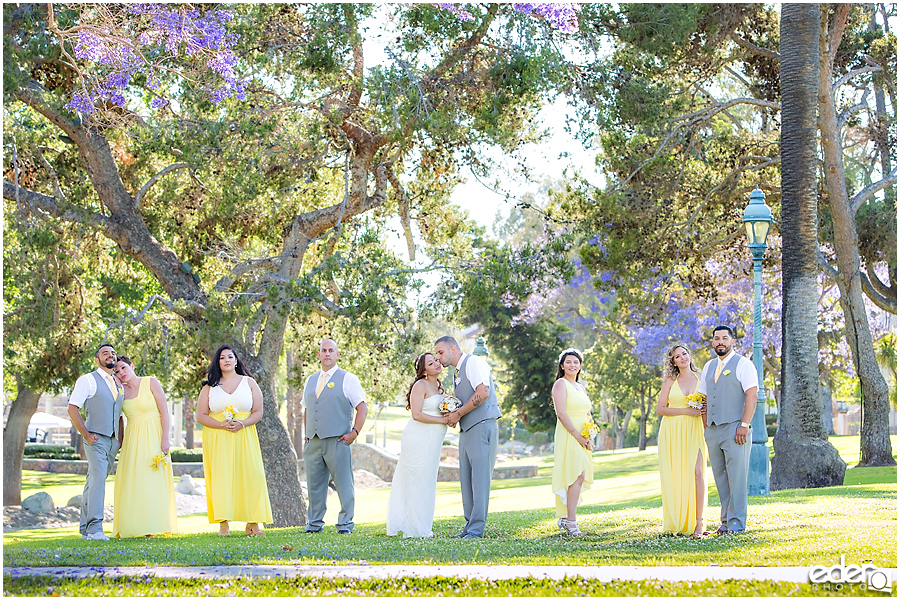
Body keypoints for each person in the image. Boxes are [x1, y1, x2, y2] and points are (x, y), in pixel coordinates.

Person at [197, 344, 273, 536]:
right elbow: (201, 415)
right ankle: (223, 525)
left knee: (252, 476)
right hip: (218, 437)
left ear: (236, 360)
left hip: (245, 435)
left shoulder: (249, 382)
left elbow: (258, 411)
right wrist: (222, 425)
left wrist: (243, 423)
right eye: (222, 358)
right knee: (221, 478)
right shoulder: (209, 386)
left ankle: (253, 523)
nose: (227, 360)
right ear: (218, 362)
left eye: (230, 357)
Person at [434, 336, 501, 539]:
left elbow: (484, 392)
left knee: (480, 482)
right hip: (467, 429)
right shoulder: (456, 372)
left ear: (453, 349)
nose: (438, 358)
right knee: (467, 481)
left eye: (440, 352)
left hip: (482, 426)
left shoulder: (473, 362)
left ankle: (476, 529)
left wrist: (458, 414)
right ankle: (469, 526)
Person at [696, 326, 759, 535]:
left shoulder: (743, 364)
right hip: (713, 430)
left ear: (733, 341)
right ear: (713, 343)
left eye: (724, 338)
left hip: (735, 428)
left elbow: (752, 395)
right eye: (716, 338)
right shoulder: (708, 366)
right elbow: (703, 398)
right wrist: (706, 425)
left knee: (737, 478)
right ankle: (725, 523)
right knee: (721, 478)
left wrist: (744, 425)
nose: (720, 341)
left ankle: (737, 524)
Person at [302, 339, 368, 534]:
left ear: (337, 354)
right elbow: (306, 408)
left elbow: (362, 407)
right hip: (313, 441)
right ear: (319, 354)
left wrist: (354, 433)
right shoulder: (310, 379)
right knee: (314, 485)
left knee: (344, 484)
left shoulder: (348, 379)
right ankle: (314, 524)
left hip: (338, 440)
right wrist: (307, 434)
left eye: (331, 350)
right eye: (324, 350)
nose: (327, 354)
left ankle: (345, 524)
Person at [386, 352, 454, 538]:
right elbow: (416, 414)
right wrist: (442, 422)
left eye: (436, 361)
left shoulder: (439, 387)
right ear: (424, 370)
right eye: (431, 363)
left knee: (427, 481)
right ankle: (413, 526)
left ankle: (423, 523)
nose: (437, 364)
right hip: (417, 439)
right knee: (416, 480)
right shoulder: (420, 385)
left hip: (433, 442)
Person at [111, 356, 177, 538]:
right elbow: (119, 420)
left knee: (152, 480)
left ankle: (153, 526)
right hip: (133, 440)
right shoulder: (119, 392)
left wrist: (165, 439)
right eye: (116, 371)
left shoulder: (151, 382)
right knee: (134, 480)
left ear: (132, 366)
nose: (121, 373)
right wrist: (120, 443)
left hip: (155, 436)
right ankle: (133, 525)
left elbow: (164, 411)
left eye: (123, 368)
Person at [67, 343, 125, 541]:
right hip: (96, 439)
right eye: (105, 353)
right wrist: (86, 434)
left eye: (113, 353)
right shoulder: (88, 380)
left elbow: (118, 415)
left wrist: (120, 438)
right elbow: (72, 408)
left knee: (93, 481)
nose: (110, 355)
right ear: (97, 359)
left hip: (112, 441)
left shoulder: (117, 383)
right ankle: (95, 529)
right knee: (98, 480)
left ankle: (85, 529)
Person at [656, 344, 707, 538]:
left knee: (697, 472)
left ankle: (699, 523)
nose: (683, 358)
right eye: (677, 356)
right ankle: (678, 520)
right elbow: (660, 409)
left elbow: (707, 405)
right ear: (673, 362)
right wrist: (686, 410)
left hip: (695, 430)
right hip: (672, 431)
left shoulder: (701, 377)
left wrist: (707, 428)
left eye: (684, 353)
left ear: (689, 355)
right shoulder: (670, 380)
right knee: (677, 474)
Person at [550, 348, 594, 536]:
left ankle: (567, 518)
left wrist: (590, 435)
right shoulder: (560, 384)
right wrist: (577, 435)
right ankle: (570, 521)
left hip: (583, 435)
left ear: (580, 366)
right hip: (570, 433)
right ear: (562, 365)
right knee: (575, 475)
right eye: (568, 362)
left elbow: (588, 413)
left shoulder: (580, 387)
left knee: (580, 475)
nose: (572, 365)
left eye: (576, 362)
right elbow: (561, 413)